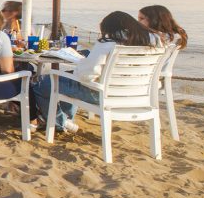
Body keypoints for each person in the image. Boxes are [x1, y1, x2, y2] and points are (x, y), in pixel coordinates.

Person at [32, 11, 162, 133]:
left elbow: (86, 75)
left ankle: (60, 122)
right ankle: (66, 118)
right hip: (137, 95)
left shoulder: (109, 43)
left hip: (102, 96)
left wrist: (82, 64)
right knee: (68, 79)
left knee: (43, 82)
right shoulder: (153, 41)